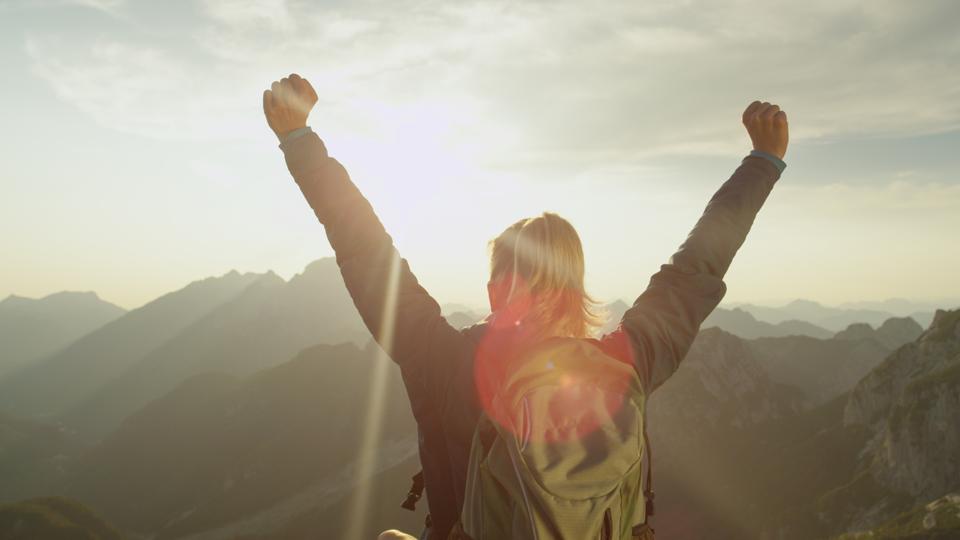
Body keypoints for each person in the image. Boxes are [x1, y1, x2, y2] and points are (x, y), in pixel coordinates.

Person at [263, 73, 788, 540]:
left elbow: (367, 253)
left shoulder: (445, 361)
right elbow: (696, 268)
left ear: (496, 290)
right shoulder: (628, 363)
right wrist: (763, 162)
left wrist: (299, 140)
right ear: (576, 288)